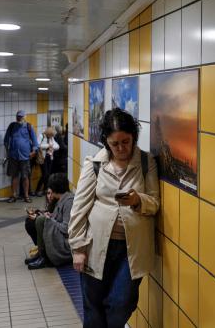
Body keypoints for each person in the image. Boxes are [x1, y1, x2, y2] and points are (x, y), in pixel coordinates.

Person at [69, 108, 160, 328]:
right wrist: (78, 248)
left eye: (125, 142)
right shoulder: (95, 164)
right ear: (106, 142)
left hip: (132, 249)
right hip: (96, 245)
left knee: (122, 302)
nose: (121, 148)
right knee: (93, 306)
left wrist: (138, 200)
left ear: (134, 137)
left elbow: (154, 203)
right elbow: (79, 208)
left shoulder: (147, 163)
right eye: (114, 143)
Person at [24, 173, 74, 269]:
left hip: (66, 241)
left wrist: (49, 219)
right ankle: (41, 254)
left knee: (40, 221)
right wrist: (49, 216)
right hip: (60, 235)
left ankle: (44, 257)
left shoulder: (69, 202)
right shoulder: (62, 199)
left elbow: (66, 228)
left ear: (55, 189)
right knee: (34, 220)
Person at [4, 110, 39, 203]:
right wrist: (8, 151)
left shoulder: (29, 126)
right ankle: (14, 195)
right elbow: (6, 140)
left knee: (25, 177)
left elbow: (35, 141)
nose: (19, 118)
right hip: (13, 156)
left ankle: (26, 196)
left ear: (24, 117)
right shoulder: (12, 126)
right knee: (14, 176)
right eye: (18, 116)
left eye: (21, 116)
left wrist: (34, 151)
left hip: (25, 156)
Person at [33, 126, 60, 196]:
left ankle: (45, 189)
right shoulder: (41, 136)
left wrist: (51, 146)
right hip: (43, 158)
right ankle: (38, 190)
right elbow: (38, 145)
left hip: (49, 157)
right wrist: (48, 145)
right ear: (48, 133)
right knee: (45, 174)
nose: (52, 137)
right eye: (51, 135)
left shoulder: (51, 137)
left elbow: (57, 146)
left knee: (47, 174)